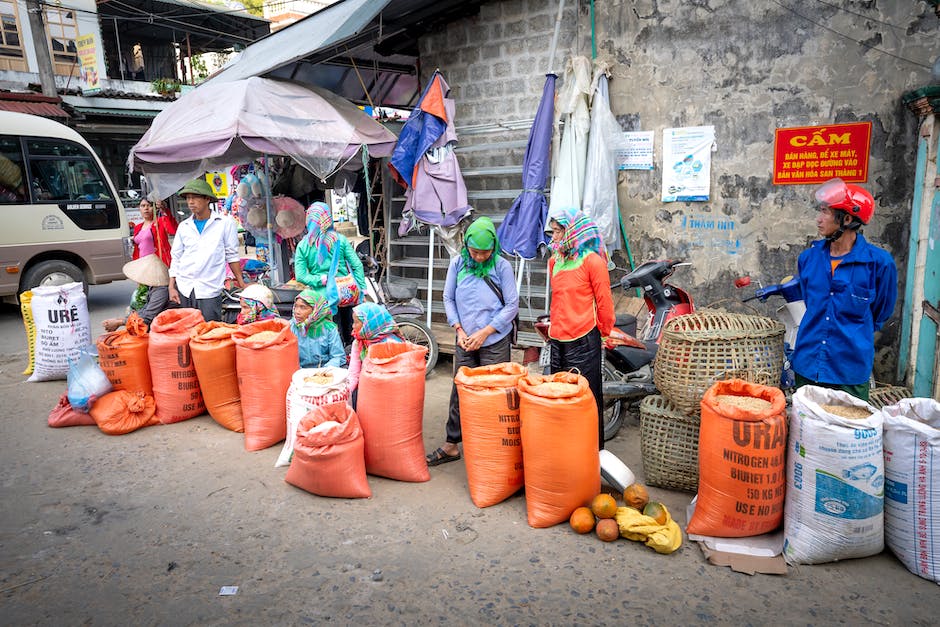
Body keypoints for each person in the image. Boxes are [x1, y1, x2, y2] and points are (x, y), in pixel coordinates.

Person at [792, 178, 897, 401]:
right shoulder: (808, 259)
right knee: (806, 431)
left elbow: (881, 312)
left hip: (849, 370)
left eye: (825, 212)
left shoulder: (879, 263)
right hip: (808, 365)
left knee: (848, 430)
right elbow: (812, 304)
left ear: (847, 219)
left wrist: (853, 332)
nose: (819, 219)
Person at [426, 216, 518, 467]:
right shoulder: (457, 264)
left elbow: (512, 305)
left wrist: (485, 332)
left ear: (494, 248)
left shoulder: (501, 267)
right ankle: (451, 444)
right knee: (460, 390)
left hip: (494, 340)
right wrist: (459, 329)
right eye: (475, 251)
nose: (479, 257)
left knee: (494, 394)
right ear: (466, 245)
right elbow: (448, 297)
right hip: (464, 339)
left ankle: (493, 446)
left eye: (484, 252)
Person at [546, 207, 615, 450]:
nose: (553, 237)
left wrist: (606, 332)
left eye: (557, 232)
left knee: (586, 398)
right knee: (559, 396)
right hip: (558, 339)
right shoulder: (554, 261)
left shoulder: (593, 262)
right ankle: (565, 450)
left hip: (584, 339)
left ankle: (591, 451)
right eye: (552, 232)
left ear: (572, 232)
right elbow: (557, 300)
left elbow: (604, 300)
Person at [167, 178, 245, 321]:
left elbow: (232, 255)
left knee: (210, 333)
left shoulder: (224, 224)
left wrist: (241, 282)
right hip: (185, 287)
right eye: (188, 198)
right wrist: (171, 286)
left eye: (195, 197)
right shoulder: (184, 226)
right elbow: (176, 257)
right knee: (188, 330)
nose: (190, 202)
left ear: (207, 199)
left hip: (209, 288)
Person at [293, 201, 366, 347]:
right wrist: (361, 288)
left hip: (321, 298)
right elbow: (356, 265)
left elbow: (300, 276)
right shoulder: (340, 240)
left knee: (329, 333)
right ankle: (350, 355)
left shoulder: (303, 245)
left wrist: (319, 279)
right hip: (345, 292)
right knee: (350, 328)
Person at [347, 302, 404, 408]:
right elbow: (354, 372)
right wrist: (347, 392)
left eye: (356, 322)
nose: (353, 326)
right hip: (368, 383)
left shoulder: (391, 344)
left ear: (369, 323)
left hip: (389, 390)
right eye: (353, 322)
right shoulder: (359, 341)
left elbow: (397, 378)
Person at [101, 254, 174, 331]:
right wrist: (120, 320)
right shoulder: (153, 287)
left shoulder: (161, 291)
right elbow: (144, 311)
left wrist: (120, 322)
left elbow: (147, 317)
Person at [290, 289, 347, 368]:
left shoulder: (329, 328)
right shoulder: (290, 327)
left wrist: (322, 372)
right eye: (296, 306)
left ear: (315, 310)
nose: (297, 311)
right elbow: (287, 358)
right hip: (299, 372)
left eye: (303, 307)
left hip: (325, 371)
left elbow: (338, 357)